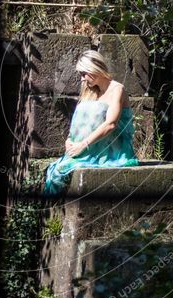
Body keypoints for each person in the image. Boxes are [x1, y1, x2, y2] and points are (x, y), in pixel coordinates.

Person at [44, 50, 139, 195]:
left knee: (61, 171)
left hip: (113, 152)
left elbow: (111, 124)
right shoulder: (90, 91)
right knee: (54, 170)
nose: (82, 79)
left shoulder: (117, 89)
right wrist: (70, 139)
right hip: (87, 148)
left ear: (95, 69)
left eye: (84, 74)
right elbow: (80, 122)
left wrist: (82, 145)